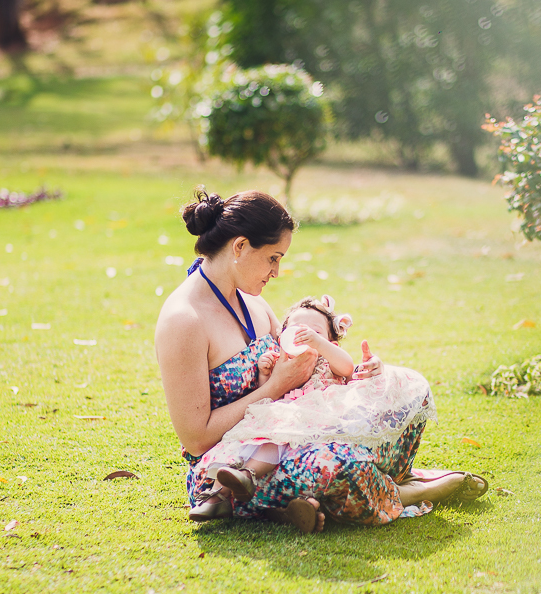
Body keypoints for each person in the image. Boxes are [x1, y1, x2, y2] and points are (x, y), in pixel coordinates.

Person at [154, 188, 487, 533]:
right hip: (233, 465)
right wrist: (276, 385)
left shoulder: (253, 304)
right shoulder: (185, 320)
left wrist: (364, 373)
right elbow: (196, 438)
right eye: (273, 258)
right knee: (344, 466)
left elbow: (313, 373)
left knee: (409, 395)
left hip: (296, 433)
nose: (277, 272)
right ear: (240, 247)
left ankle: (315, 502)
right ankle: (417, 490)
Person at [190, 294, 439, 518]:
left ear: (331, 342)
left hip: (318, 418)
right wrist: (266, 371)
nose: (305, 334)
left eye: (315, 332)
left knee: (281, 441)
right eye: (297, 329)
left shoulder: (328, 359)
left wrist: (320, 345)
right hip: (285, 416)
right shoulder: (284, 359)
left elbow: (347, 367)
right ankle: (231, 485)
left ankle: (253, 485)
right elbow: (268, 394)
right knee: (260, 440)